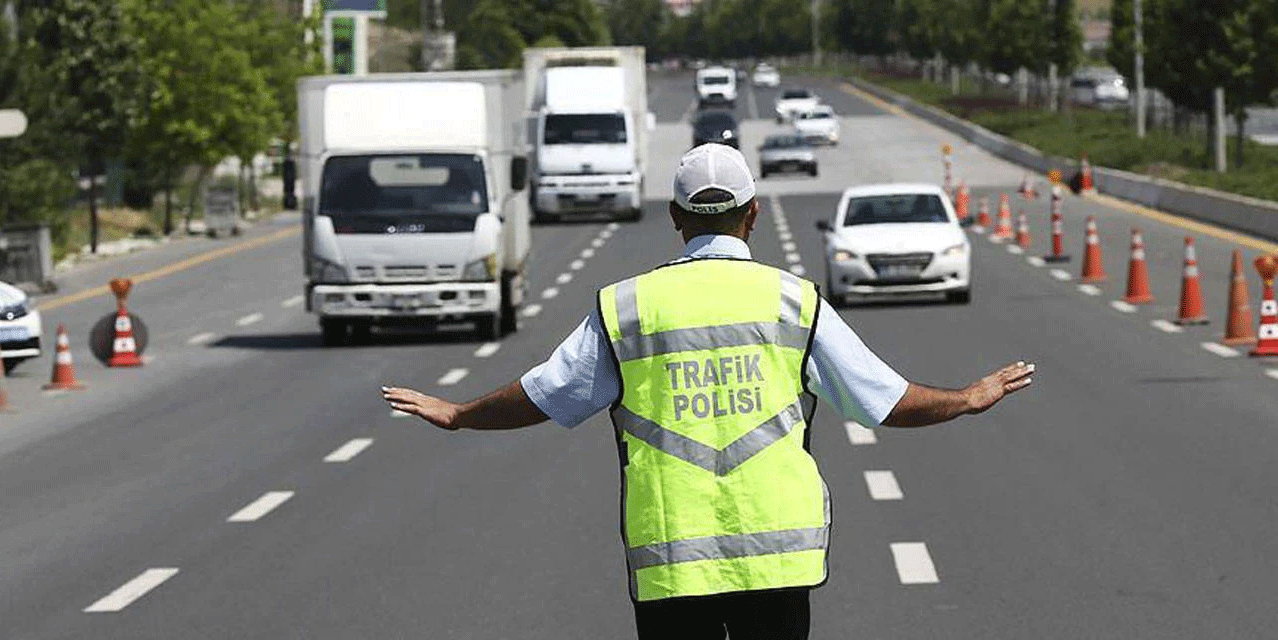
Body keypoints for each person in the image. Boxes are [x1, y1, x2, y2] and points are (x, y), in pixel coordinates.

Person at [382, 144, 1034, 639]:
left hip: (671, 558)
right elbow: (883, 402)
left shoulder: (627, 307)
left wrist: (459, 413)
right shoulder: (793, 302)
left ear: (676, 217)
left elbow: (546, 395)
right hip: (779, 558)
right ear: (752, 214)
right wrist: (966, 398)